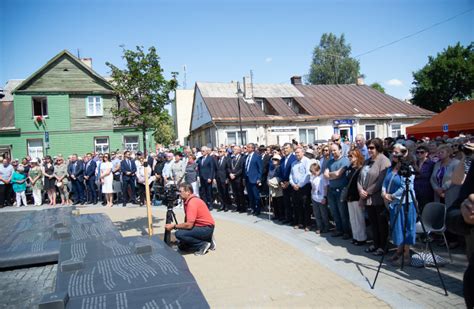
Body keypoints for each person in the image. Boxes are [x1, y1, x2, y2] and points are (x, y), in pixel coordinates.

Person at [382, 144, 417, 265]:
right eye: (393, 152)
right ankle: (398, 251)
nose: (394, 155)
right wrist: (384, 193)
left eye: (397, 153)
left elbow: (406, 187)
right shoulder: (390, 168)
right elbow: (385, 182)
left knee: (407, 227)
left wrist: (391, 196)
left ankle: (406, 254)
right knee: (397, 227)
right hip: (394, 204)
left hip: (406, 202)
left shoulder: (408, 168)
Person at [358, 138, 391, 256]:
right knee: (373, 223)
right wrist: (361, 190)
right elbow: (360, 178)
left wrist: (367, 192)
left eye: (372, 147)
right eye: (368, 148)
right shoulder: (367, 161)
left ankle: (383, 246)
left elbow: (381, 181)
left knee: (381, 224)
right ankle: (376, 244)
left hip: (377, 199)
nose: (369, 150)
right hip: (367, 198)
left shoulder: (384, 161)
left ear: (378, 147)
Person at [165, 183, 216, 255]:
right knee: (183, 247)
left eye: (181, 191)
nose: (179, 193)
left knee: (179, 234)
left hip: (205, 228)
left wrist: (174, 226)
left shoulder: (192, 202)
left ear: (188, 192)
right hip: (204, 227)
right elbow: (188, 220)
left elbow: (189, 225)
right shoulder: (189, 200)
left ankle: (202, 244)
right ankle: (208, 239)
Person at [324, 143, 351, 239]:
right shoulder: (330, 162)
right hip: (331, 190)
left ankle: (346, 232)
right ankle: (339, 229)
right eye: (332, 150)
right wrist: (333, 174)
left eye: (335, 150)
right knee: (334, 212)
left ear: (340, 150)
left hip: (341, 190)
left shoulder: (345, 161)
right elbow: (325, 175)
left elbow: (339, 174)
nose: (333, 152)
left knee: (343, 212)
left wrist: (332, 175)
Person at [345, 149, 366, 245]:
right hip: (350, 196)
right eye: (349, 156)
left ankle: (361, 238)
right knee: (352, 218)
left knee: (359, 218)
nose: (350, 158)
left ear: (357, 157)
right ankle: (355, 236)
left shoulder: (361, 169)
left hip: (357, 196)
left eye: (351, 156)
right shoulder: (350, 167)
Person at [289, 146, 312, 230]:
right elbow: (291, 175)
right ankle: (299, 222)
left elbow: (308, 175)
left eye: (298, 152)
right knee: (296, 206)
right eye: (296, 153)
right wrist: (292, 183)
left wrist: (299, 184)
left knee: (305, 206)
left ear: (303, 152)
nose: (297, 154)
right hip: (295, 187)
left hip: (304, 187)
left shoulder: (307, 161)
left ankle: (308, 224)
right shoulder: (293, 163)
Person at [310, 161, 329, 234]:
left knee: (323, 214)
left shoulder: (322, 177)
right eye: (312, 172)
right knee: (317, 213)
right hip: (314, 197)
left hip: (321, 198)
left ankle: (326, 227)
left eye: (314, 172)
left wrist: (324, 197)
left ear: (318, 170)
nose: (313, 173)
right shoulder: (313, 177)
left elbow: (325, 187)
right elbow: (313, 187)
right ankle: (319, 227)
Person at [413, 144, 435, 212]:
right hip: (415, 189)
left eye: (422, 152)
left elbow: (426, 175)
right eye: (417, 152)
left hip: (426, 190)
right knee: (416, 209)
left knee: (426, 210)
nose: (419, 154)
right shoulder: (415, 162)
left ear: (426, 153)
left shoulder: (431, 163)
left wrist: (416, 170)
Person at [280, 143, 297, 224]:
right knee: (286, 202)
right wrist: (281, 182)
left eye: (286, 148)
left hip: (291, 184)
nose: (285, 150)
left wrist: (289, 182)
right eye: (284, 148)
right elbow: (280, 171)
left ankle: (295, 219)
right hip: (284, 184)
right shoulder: (282, 159)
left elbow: (294, 172)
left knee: (293, 202)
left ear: (291, 149)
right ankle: (288, 218)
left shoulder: (294, 158)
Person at [244, 143, 263, 215]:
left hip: (254, 179)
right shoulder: (246, 157)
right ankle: (253, 208)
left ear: (252, 148)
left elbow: (260, 169)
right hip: (247, 179)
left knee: (256, 195)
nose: (247, 148)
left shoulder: (257, 156)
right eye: (247, 147)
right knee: (250, 195)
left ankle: (258, 210)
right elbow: (245, 167)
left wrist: (259, 178)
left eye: (248, 147)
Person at [229, 145, 245, 212]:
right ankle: (238, 206)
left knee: (240, 193)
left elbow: (241, 169)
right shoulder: (232, 158)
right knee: (235, 193)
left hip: (238, 178)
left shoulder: (242, 158)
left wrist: (235, 174)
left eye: (235, 149)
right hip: (232, 178)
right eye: (233, 149)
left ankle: (243, 207)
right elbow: (229, 167)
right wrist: (230, 173)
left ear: (239, 150)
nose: (233, 150)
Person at [268, 154, 284, 220]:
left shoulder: (280, 167)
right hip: (272, 186)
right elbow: (268, 176)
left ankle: (281, 215)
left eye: (276, 159)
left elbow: (281, 177)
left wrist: (275, 181)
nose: (274, 161)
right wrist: (268, 181)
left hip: (278, 186)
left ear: (279, 160)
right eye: (273, 159)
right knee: (274, 201)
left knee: (279, 201)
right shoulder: (271, 167)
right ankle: (276, 214)